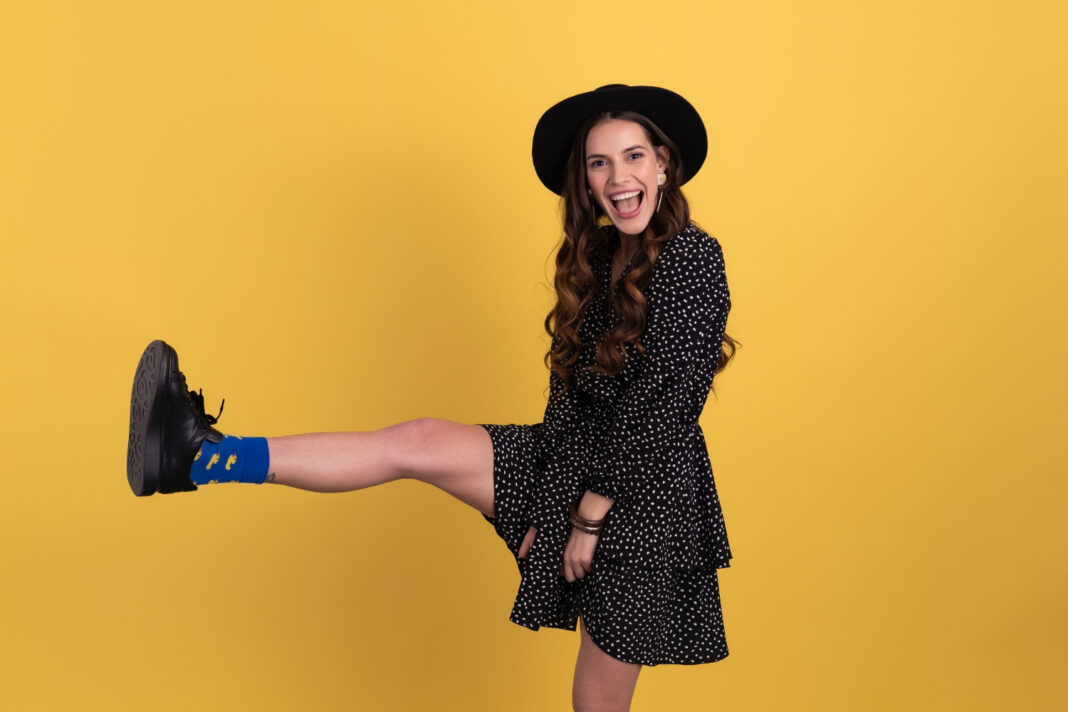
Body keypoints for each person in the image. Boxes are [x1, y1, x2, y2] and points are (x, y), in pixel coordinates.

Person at [126, 83, 738, 712]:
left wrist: (585, 517)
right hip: (573, 464)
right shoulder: (600, 254)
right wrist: (544, 514)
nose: (618, 178)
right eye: (599, 162)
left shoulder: (692, 255)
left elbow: (667, 405)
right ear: (584, 180)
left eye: (634, 157)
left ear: (663, 164)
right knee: (418, 441)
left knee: (595, 705)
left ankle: (201, 458)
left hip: (645, 500)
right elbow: (570, 398)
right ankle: (201, 457)